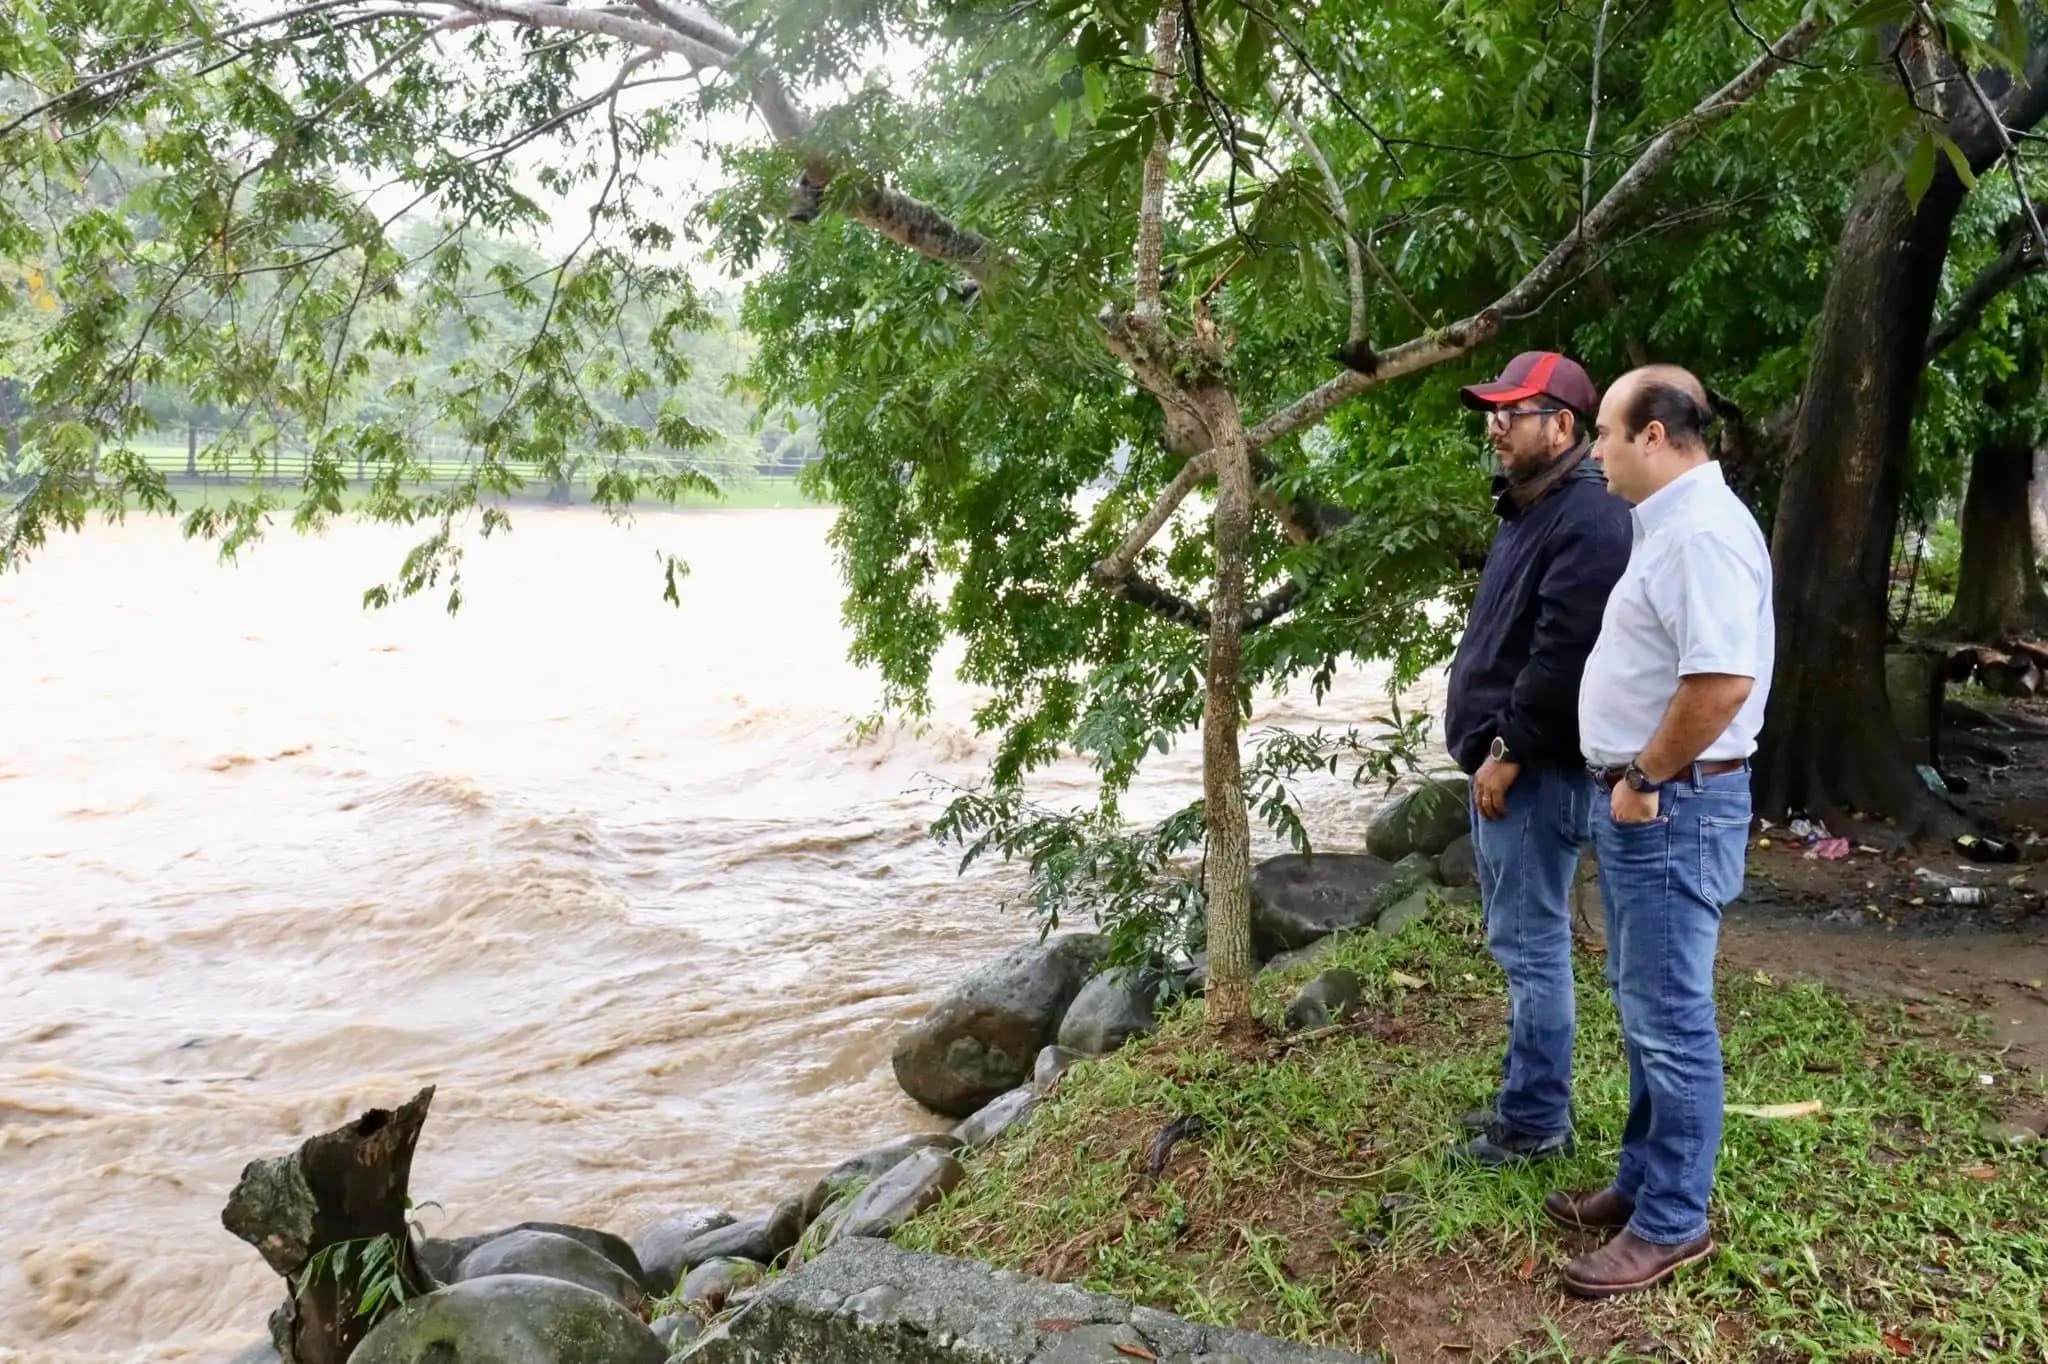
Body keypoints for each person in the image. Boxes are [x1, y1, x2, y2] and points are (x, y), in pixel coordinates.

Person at [1549, 364, 1775, 1298]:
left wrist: (1645, 775)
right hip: (1657, 805)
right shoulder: (1670, 526)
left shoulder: (1701, 535)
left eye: (1602, 431)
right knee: (1643, 1001)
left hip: (1674, 807)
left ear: (1652, 434)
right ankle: (1642, 1180)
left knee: (1671, 1016)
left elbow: (1720, 682)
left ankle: (1674, 1220)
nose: (1593, 449)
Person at [1443, 351, 1632, 1166]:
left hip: (1536, 772)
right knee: (1523, 942)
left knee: (1531, 946)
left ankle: (1535, 1125)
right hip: (1514, 762)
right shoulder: (1531, 506)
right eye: (1493, 410)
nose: (1495, 424)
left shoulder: (1586, 518)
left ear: (1564, 426)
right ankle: (1526, 1101)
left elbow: (1564, 658)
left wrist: (1508, 752)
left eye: (1512, 412)